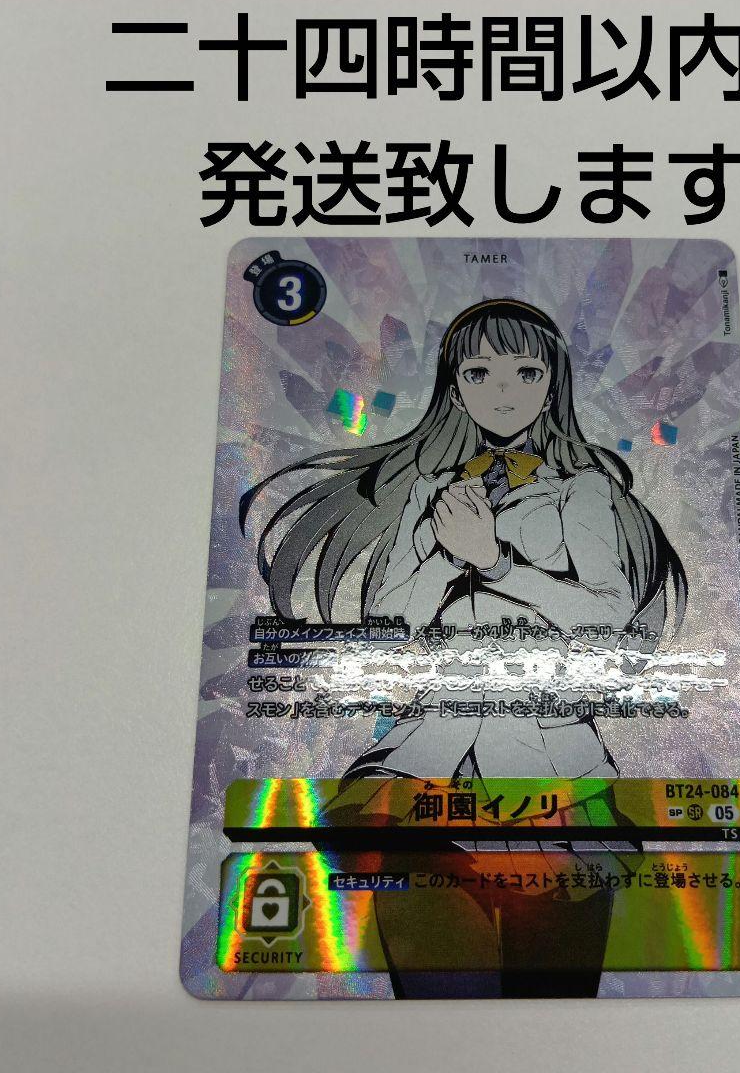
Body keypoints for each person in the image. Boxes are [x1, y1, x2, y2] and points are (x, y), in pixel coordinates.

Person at [242, 298, 687, 996]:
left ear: (553, 384)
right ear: (454, 388)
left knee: (554, 1009)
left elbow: (608, 617)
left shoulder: (584, 492)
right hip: (426, 768)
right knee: (438, 1005)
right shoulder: (429, 492)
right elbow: (388, 624)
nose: (503, 392)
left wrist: (499, 562)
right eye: (479, 373)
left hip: (554, 770)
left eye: (525, 372)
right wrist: (449, 560)